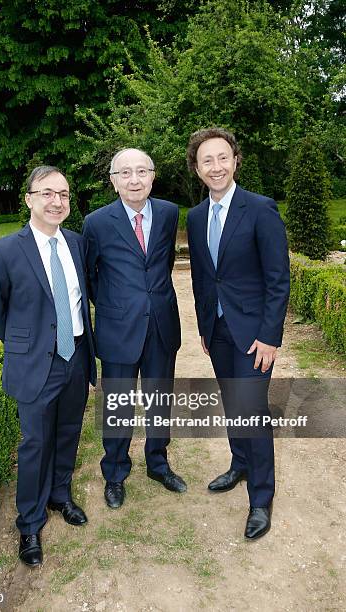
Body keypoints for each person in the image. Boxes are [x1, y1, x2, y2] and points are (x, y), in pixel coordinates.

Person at [0, 166, 96, 566]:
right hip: (35, 365)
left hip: (76, 357)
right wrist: (26, 347)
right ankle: (29, 522)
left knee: (68, 433)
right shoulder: (5, 251)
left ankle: (60, 495)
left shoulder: (78, 244)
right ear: (29, 198)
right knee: (34, 444)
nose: (56, 202)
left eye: (63, 194)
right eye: (47, 193)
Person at [186, 128, 290, 539]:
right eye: (207, 160)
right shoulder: (194, 218)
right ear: (197, 168)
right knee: (232, 403)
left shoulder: (260, 209)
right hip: (219, 331)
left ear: (235, 161)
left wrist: (270, 336)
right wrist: (204, 327)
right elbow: (201, 277)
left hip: (254, 334)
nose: (217, 166)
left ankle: (261, 498)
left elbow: (278, 280)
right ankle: (239, 463)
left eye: (223, 157)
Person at [83, 148, 186, 508]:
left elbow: (163, 263)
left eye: (141, 171)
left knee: (160, 400)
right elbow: (90, 276)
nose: (134, 179)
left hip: (161, 324)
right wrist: (117, 305)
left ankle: (158, 463)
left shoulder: (170, 213)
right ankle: (114, 472)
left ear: (153, 176)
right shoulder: (96, 223)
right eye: (125, 173)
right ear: (113, 181)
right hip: (117, 329)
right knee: (118, 405)